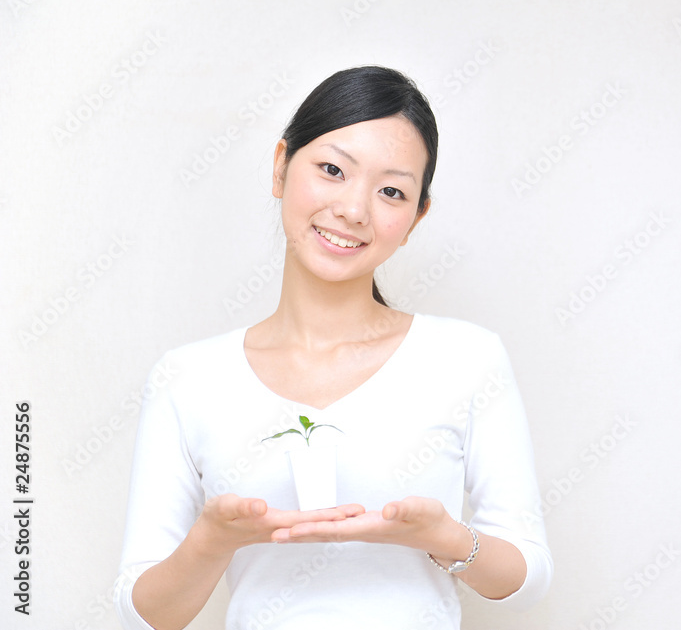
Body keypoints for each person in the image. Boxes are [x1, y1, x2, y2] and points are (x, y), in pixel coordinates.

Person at [113, 66, 552, 629]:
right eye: (331, 170)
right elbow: (143, 614)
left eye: (392, 191)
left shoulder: (468, 359)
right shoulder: (187, 378)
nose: (353, 209)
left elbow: (527, 579)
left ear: (416, 217)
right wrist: (212, 540)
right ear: (279, 167)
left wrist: (443, 536)